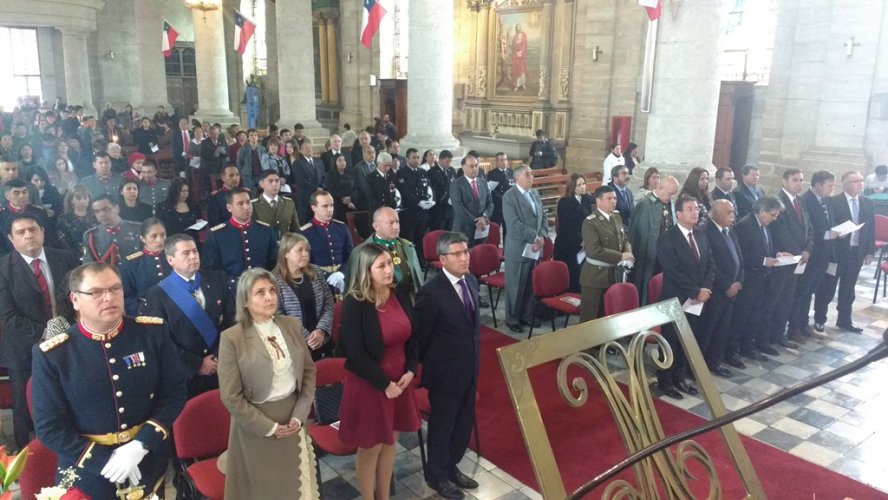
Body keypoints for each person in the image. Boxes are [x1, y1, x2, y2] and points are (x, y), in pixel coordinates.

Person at [31, 263, 187, 499]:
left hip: (145, 459)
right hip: (85, 472)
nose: (109, 298)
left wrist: (141, 444)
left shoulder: (151, 333)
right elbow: (49, 427)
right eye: (96, 292)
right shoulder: (54, 354)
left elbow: (174, 392)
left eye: (115, 289)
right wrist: (104, 460)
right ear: (75, 299)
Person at [217, 267, 319, 498]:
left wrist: (299, 415)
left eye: (272, 290)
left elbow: (309, 372)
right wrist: (269, 428)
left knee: (298, 489)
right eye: (260, 292)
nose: (269, 297)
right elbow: (231, 397)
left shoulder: (291, 325)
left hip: (293, 419)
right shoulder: (232, 338)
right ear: (245, 300)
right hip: (256, 427)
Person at [338, 243, 420, 500]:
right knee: (370, 448)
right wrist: (385, 384)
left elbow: (412, 337)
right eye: (381, 265)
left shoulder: (400, 292)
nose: (389, 270)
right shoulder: (355, 302)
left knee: (389, 442)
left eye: (390, 263)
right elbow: (355, 353)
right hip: (370, 385)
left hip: (400, 382)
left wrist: (410, 370)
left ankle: (383, 496)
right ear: (365, 270)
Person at [0, 214, 80, 451]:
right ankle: (24, 452)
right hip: (25, 347)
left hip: (68, 340)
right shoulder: (3, 268)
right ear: (11, 239)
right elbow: (8, 317)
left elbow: (77, 297)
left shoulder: (65, 258)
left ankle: (70, 445)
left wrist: (65, 328)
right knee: (25, 402)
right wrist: (46, 333)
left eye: (33, 229)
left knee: (69, 395)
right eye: (21, 232)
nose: (28, 235)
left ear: (42, 231)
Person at [414, 232, 481, 499]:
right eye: (457, 253)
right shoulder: (430, 293)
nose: (464, 257)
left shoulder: (472, 281)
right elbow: (421, 336)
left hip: (470, 365)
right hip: (444, 372)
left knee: (463, 423)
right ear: (442, 259)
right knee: (443, 426)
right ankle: (436, 476)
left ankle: (452, 467)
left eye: (466, 252)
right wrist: (437, 364)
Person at [142, 234, 234, 398]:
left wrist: (220, 354)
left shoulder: (217, 279)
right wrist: (197, 364)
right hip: (188, 376)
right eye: (186, 253)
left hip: (222, 365)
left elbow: (230, 319)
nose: (193, 257)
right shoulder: (157, 295)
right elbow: (161, 340)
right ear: (171, 260)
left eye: (195, 251)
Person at [655, 196, 714, 400]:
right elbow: (672, 270)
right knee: (671, 340)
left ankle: (680, 378)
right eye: (690, 209)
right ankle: (665, 381)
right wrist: (695, 291)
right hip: (676, 298)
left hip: (697, 300)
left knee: (688, 340)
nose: (695, 212)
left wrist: (705, 288)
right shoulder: (668, 237)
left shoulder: (700, 234)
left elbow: (710, 264)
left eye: (697, 208)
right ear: (678, 213)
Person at [813, 171, 876, 334]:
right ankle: (819, 319)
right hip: (837, 252)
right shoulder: (833, 201)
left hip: (856, 251)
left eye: (861, 181)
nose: (860, 184)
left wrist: (870, 251)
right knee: (827, 287)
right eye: (856, 181)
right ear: (845, 184)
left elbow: (870, 228)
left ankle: (844, 320)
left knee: (849, 289)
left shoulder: (867, 203)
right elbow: (827, 225)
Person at [732, 196, 784, 360]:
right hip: (749, 279)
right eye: (773, 215)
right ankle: (735, 349)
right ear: (762, 211)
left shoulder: (764, 225)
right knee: (743, 315)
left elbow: (765, 245)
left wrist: (776, 254)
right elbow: (742, 254)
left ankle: (748, 345)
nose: (775, 219)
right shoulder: (745, 226)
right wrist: (763, 261)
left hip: (762, 278)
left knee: (755, 314)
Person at [790, 170, 838, 340]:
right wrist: (826, 234)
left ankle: (804, 324)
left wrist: (836, 232)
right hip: (811, 254)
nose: (832, 189)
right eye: (829, 185)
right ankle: (794, 326)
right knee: (801, 292)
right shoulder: (805, 201)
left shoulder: (827, 201)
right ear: (817, 185)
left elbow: (829, 222)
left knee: (810, 291)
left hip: (824, 255)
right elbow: (808, 228)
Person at [272, 233, 335, 360]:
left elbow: (328, 302)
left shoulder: (316, 271)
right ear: (286, 253)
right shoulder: (274, 280)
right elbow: (277, 314)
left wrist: (321, 330)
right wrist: (307, 337)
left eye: (307, 250)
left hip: (322, 340)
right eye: (299, 250)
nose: (305, 254)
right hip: (294, 343)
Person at [768, 168, 811, 348]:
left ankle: (779, 334)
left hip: (799, 259)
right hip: (785, 258)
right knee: (776, 299)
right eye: (795, 179)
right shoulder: (778, 201)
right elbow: (780, 231)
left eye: (801, 180)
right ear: (784, 182)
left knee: (788, 298)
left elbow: (809, 227)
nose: (799, 183)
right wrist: (797, 252)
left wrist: (808, 248)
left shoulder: (800, 200)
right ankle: (769, 336)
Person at [502, 166, 548, 334]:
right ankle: (512, 318)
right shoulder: (509, 197)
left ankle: (527, 315)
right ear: (517, 178)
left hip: (535, 248)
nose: (531, 176)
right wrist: (535, 237)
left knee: (530, 284)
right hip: (519, 247)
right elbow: (513, 224)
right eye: (527, 174)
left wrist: (542, 236)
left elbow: (543, 217)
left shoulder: (534, 193)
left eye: (532, 173)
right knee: (516, 286)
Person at [700, 200, 744, 376]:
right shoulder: (706, 232)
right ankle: (700, 365)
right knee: (708, 328)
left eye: (733, 211)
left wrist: (740, 280)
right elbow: (710, 264)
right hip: (716, 290)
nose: (732, 215)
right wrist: (726, 285)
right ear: (716, 214)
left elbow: (739, 257)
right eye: (728, 212)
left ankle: (714, 362)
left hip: (732, 289)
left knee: (723, 328)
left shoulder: (730, 230)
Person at [578, 185, 633, 322]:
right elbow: (594, 250)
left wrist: (628, 252)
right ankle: (589, 344)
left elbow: (624, 238)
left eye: (614, 198)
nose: (613, 201)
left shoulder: (616, 216)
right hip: (595, 276)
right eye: (609, 198)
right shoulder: (591, 222)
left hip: (613, 274)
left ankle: (606, 343)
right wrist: (620, 256)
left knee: (608, 316)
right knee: (591, 317)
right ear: (598, 201)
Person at [349, 207, 424, 301]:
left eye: (397, 222)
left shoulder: (407, 246)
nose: (396, 227)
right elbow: (354, 289)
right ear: (376, 226)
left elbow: (418, 280)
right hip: (380, 303)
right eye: (390, 223)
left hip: (410, 302)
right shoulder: (360, 252)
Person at [202, 188, 278, 280]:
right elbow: (211, 268)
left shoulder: (265, 230)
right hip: (232, 288)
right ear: (229, 208)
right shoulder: (216, 235)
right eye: (240, 204)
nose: (246, 207)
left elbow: (274, 262)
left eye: (248, 202)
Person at [628, 176, 679, 304]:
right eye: (670, 194)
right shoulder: (645, 204)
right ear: (660, 188)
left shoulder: (668, 203)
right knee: (644, 284)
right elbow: (637, 234)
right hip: (647, 256)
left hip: (663, 255)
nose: (671, 198)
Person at [301, 191, 353, 293]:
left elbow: (350, 255)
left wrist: (342, 273)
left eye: (332, 205)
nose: (330, 209)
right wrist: (326, 276)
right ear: (314, 208)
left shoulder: (342, 227)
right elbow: (305, 263)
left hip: (343, 278)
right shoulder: (305, 232)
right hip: (317, 281)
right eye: (325, 206)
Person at [120, 218, 171, 316]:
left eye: (163, 234)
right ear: (143, 239)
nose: (160, 240)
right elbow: (126, 296)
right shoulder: (131, 263)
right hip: (147, 313)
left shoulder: (174, 256)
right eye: (154, 236)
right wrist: (145, 309)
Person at [553, 174, 594, 292]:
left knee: (581, 274)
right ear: (572, 187)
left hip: (583, 242)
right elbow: (567, 226)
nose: (583, 187)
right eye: (579, 185)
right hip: (568, 244)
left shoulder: (586, 199)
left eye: (584, 184)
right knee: (570, 275)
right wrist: (580, 241)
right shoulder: (565, 202)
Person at [82, 195, 143, 266]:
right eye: (97, 211)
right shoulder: (91, 236)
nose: (102, 214)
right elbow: (89, 265)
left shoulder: (139, 229)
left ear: (117, 208)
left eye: (105, 209)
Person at [396, 148, 434, 257]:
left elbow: (429, 187)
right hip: (409, 213)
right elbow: (405, 191)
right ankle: (409, 262)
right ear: (407, 159)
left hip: (422, 213)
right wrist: (418, 202)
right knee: (408, 239)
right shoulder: (401, 173)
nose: (416, 160)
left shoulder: (422, 172)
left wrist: (432, 200)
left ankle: (420, 261)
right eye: (413, 158)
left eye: (418, 157)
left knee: (420, 238)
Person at [450, 153, 492, 248]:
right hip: (463, 230)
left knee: (479, 257)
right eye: (471, 166)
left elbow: (490, 203)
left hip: (481, 229)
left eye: (476, 166)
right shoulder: (456, 184)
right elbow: (458, 207)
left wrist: (484, 217)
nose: (475, 168)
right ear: (464, 168)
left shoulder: (483, 183)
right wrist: (476, 221)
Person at [0, 179, 51, 256]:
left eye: (24, 192)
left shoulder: (39, 212)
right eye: (16, 193)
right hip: (12, 259)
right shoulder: (2, 216)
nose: (22, 196)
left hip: (41, 253)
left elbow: (49, 237)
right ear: (7, 196)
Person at [252, 170, 299, 237]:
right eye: (270, 181)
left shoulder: (289, 203)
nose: (275, 184)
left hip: (285, 244)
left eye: (277, 181)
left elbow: (295, 229)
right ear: (261, 184)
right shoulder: (254, 205)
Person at [293, 141, 326, 224]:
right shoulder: (297, 163)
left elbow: (324, 176)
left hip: (319, 197)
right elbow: (301, 180)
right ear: (301, 151)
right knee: (306, 223)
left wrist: (322, 187)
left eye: (310, 147)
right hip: (305, 198)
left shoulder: (319, 161)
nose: (309, 149)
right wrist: (316, 188)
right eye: (306, 148)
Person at [57, 185, 94, 253]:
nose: (82, 201)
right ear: (71, 200)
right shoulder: (63, 219)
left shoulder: (96, 218)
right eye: (78, 198)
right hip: (73, 257)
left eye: (85, 198)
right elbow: (63, 243)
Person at [428, 150, 457, 231]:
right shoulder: (432, 172)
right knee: (439, 235)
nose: (449, 164)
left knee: (450, 235)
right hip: (439, 211)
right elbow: (433, 190)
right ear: (440, 159)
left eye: (450, 161)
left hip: (451, 211)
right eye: (447, 161)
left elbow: (455, 185)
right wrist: (446, 199)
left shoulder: (451, 170)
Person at [487, 152, 515, 236]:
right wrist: (503, 198)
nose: (504, 162)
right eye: (501, 160)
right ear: (497, 162)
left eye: (505, 160)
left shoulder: (511, 172)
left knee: (508, 231)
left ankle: (507, 248)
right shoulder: (492, 173)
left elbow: (514, 186)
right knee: (494, 231)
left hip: (510, 206)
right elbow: (491, 190)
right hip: (498, 206)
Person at [327, 154, 357, 221]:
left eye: (344, 160)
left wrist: (350, 198)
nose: (343, 162)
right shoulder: (330, 175)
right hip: (338, 204)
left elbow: (356, 188)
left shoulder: (350, 172)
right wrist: (345, 200)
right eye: (340, 161)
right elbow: (332, 191)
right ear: (335, 163)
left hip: (352, 203)